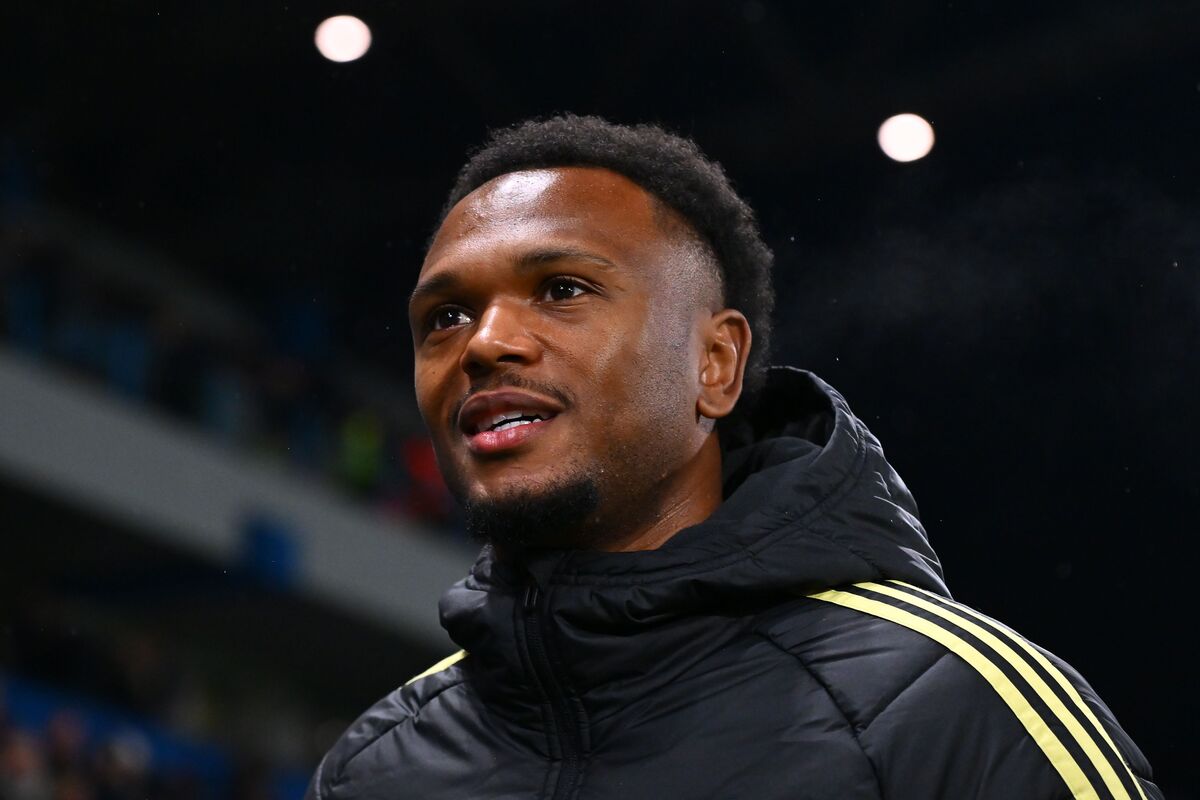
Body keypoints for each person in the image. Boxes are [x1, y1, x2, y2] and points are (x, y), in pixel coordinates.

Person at [307, 115, 1160, 799]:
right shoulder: (371, 772)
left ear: (715, 365)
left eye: (563, 290)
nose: (485, 342)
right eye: (446, 316)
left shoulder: (954, 708)